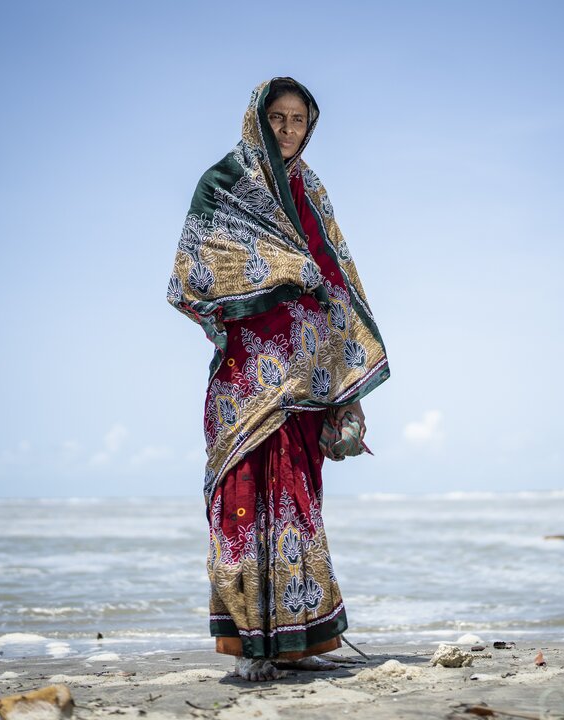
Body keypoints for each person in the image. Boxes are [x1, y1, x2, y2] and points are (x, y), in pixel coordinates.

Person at [167, 78, 390, 681]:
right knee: (241, 496)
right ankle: (248, 647)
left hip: (308, 377)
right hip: (248, 379)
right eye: (279, 118)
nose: (289, 130)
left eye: (299, 120)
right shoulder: (224, 184)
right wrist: (289, 268)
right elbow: (192, 273)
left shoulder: (311, 189)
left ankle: (296, 642)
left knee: (297, 504)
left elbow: (339, 274)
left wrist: (346, 378)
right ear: (257, 120)